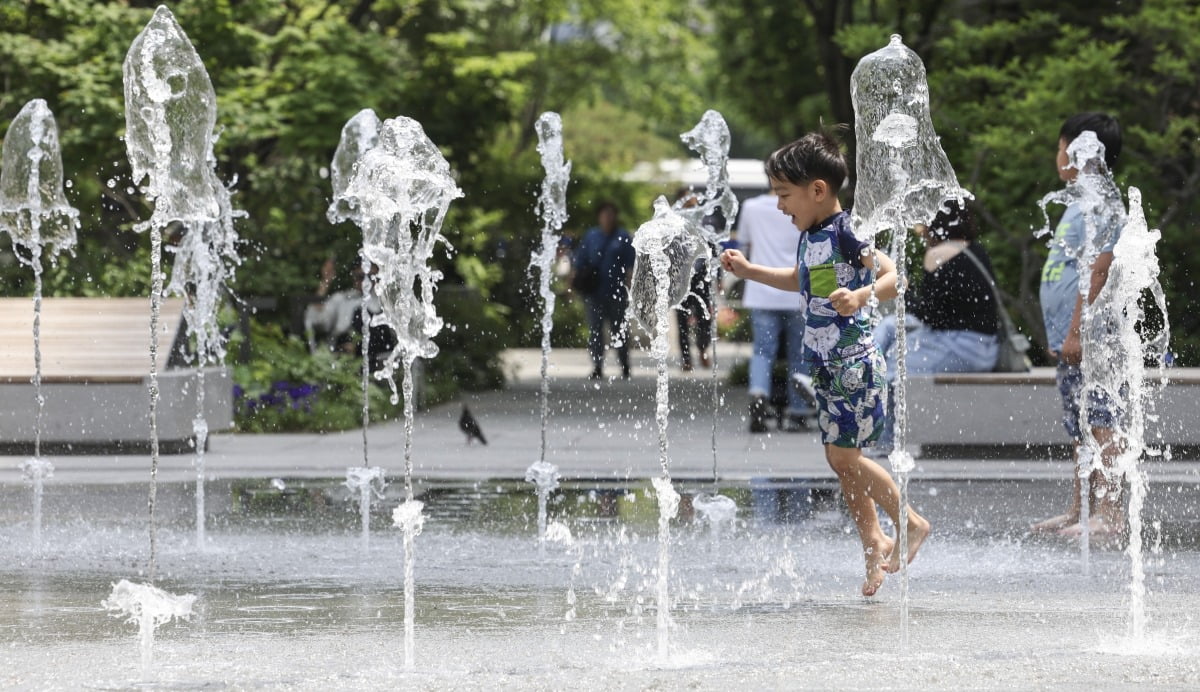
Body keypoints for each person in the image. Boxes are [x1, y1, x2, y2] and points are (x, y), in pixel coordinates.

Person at [720, 131, 931, 596]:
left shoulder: (846, 231)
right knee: (841, 462)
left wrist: (861, 295)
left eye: (783, 195)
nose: (778, 206)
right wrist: (751, 271)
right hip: (827, 365)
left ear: (817, 190)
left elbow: (896, 276)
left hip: (854, 363)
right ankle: (874, 543)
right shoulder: (811, 235)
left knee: (845, 457)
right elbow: (803, 282)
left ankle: (910, 522)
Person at [1032, 112, 1125, 537]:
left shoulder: (1102, 202)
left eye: (1059, 146)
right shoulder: (1078, 203)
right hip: (1072, 336)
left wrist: (1076, 332)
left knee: (1101, 421)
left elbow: (1097, 273)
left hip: (1094, 337)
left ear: (1074, 150)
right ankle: (1080, 509)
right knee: (1081, 425)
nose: (1057, 156)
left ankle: (1109, 513)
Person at [872, 200, 1000, 451]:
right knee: (889, 326)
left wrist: (899, 287)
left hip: (961, 346)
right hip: (985, 347)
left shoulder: (937, 254)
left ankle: (884, 443)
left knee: (891, 368)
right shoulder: (976, 250)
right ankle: (854, 372)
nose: (921, 229)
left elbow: (929, 314)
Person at [737, 190, 816, 432]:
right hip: (797, 291)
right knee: (799, 353)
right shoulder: (805, 205)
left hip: (761, 290)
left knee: (762, 349)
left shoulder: (751, 207)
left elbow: (742, 245)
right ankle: (799, 412)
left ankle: (759, 393)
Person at [572, 201, 636, 379]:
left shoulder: (623, 237)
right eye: (604, 214)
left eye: (611, 214)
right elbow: (580, 261)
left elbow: (631, 265)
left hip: (617, 292)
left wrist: (631, 287)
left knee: (620, 330)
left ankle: (624, 365)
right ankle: (597, 366)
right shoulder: (591, 236)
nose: (608, 217)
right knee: (595, 331)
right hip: (594, 292)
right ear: (599, 216)